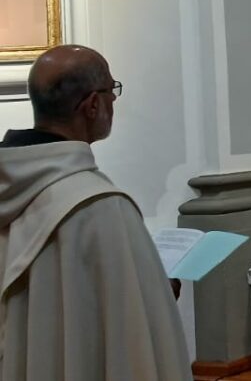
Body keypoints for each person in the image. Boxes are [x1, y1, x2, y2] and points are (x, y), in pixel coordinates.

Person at [0, 44, 191, 380]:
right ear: (92, 105)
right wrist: (158, 292)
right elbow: (132, 332)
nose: (113, 101)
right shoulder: (100, 206)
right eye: (111, 90)